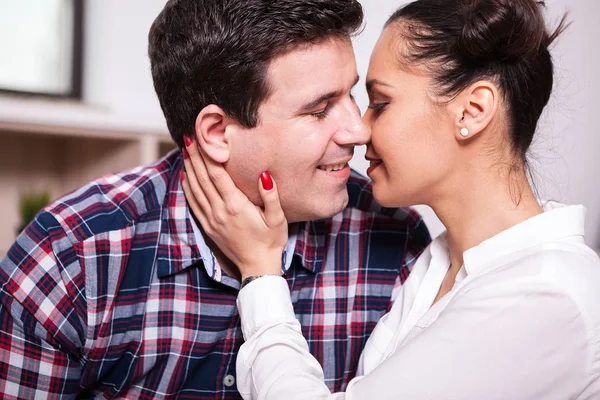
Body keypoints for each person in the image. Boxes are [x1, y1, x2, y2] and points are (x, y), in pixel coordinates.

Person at [0, 0, 430, 398]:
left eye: (350, 95)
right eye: (319, 109)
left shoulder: (394, 239)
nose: (357, 131)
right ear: (217, 133)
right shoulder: (71, 257)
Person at [181, 0, 600, 398]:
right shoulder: (437, 261)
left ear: (472, 111)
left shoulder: (545, 292)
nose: (360, 130)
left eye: (380, 104)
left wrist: (261, 274)